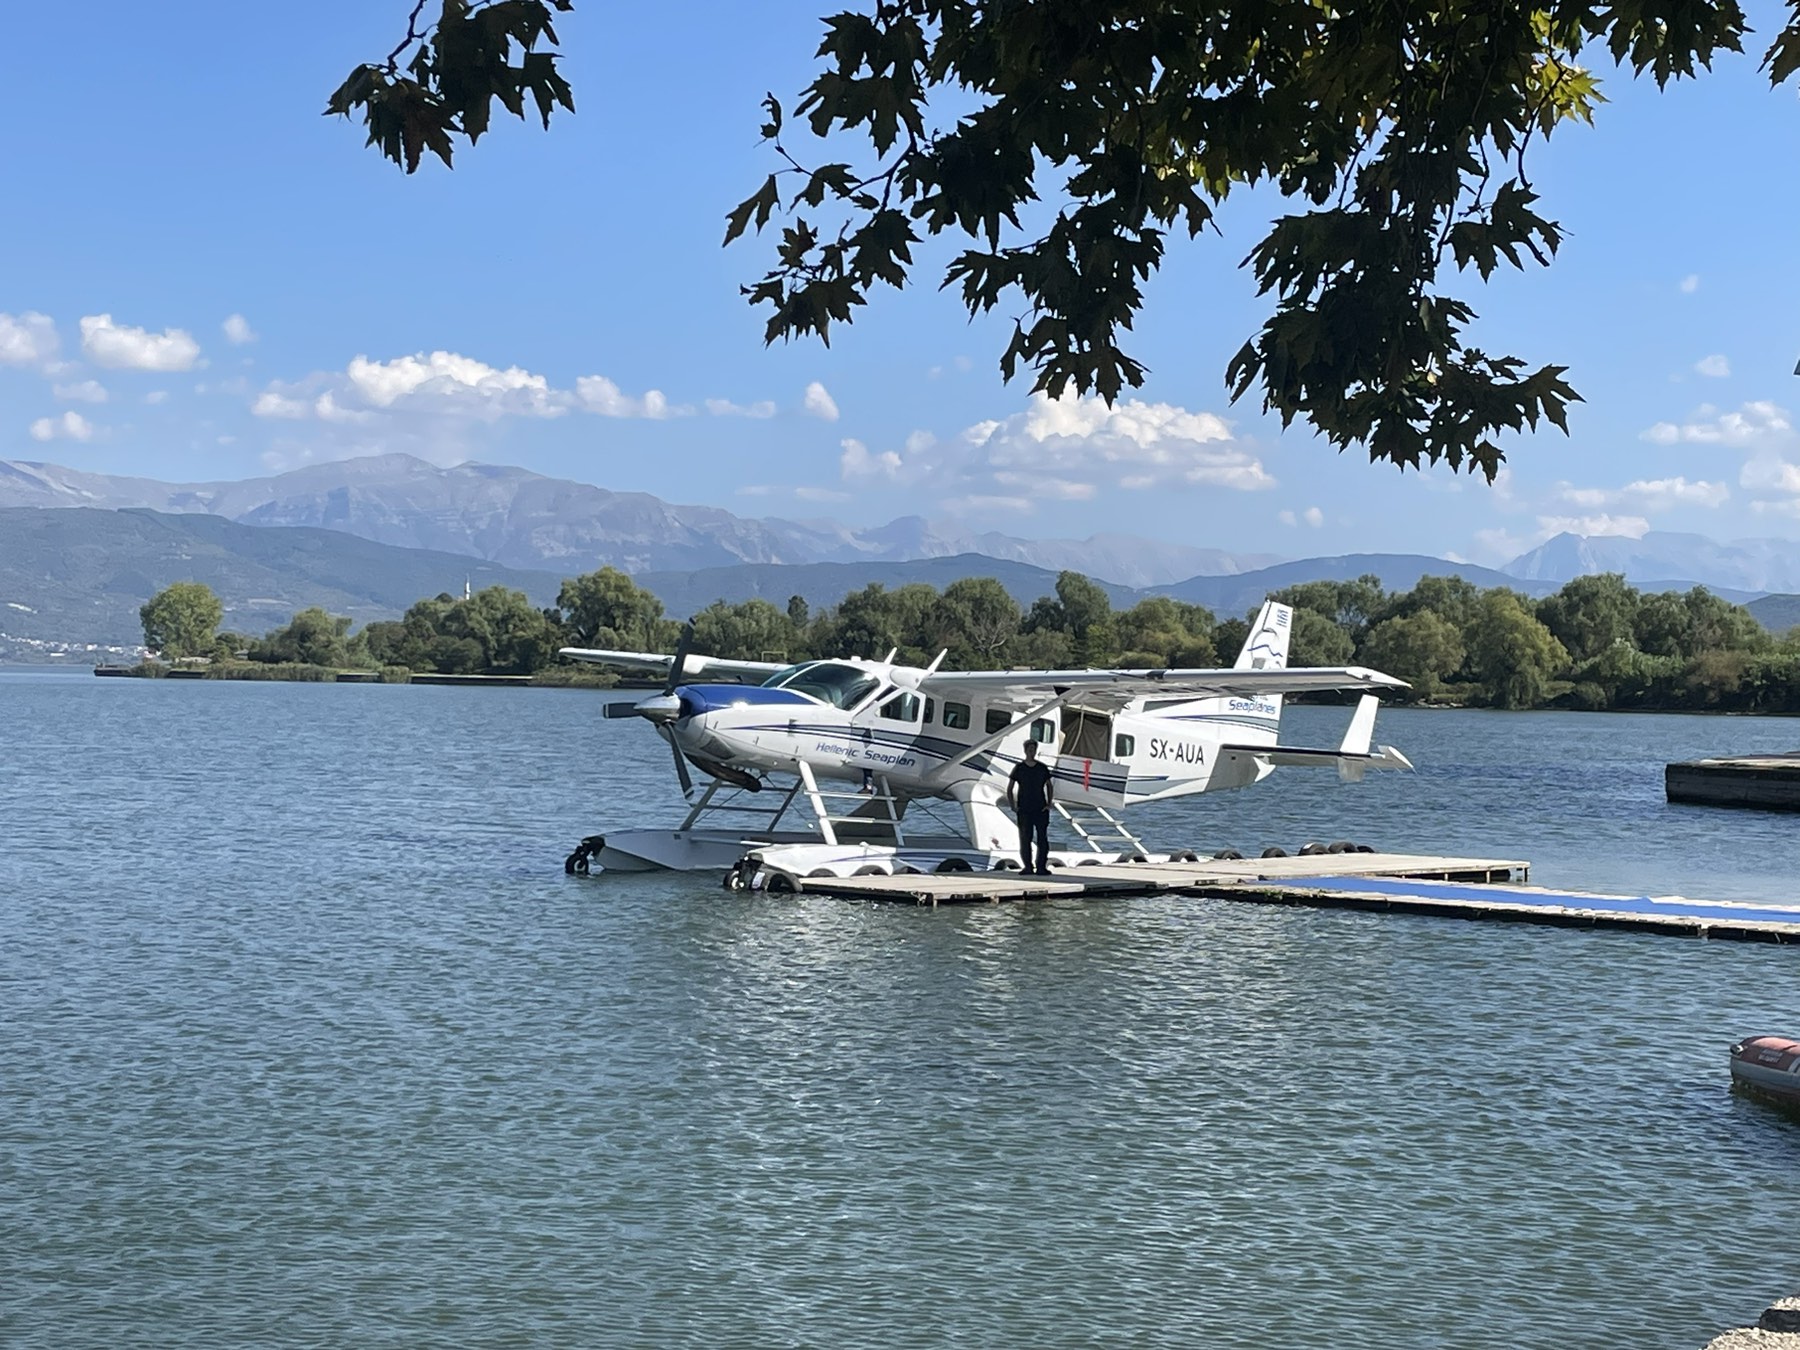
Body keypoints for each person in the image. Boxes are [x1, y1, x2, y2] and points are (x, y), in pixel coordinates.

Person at [1007, 738, 1055, 875]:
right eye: (1029, 750)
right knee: (1025, 839)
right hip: (1024, 809)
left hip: (1040, 808)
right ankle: (1028, 866)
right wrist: (1012, 805)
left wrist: (1049, 803)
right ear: (1025, 751)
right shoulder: (1019, 768)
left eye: (1033, 750)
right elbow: (1010, 788)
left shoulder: (1042, 768)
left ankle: (1041, 866)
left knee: (1042, 839)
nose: (1031, 752)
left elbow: (1049, 786)